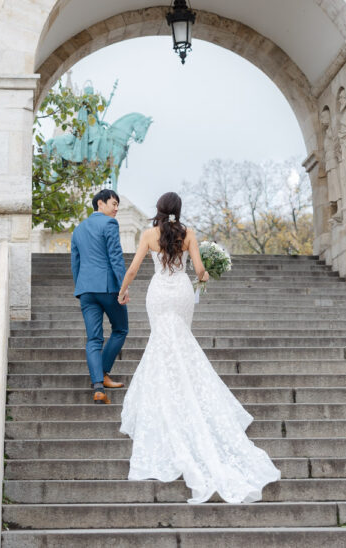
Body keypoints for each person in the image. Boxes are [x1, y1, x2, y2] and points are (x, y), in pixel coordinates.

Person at [118, 191, 281, 504]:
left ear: (158, 209)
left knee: (163, 342)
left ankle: (169, 392)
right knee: (181, 341)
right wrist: (208, 272)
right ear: (178, 211)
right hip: (179, 292)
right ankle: (187, 388)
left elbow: (135, 268)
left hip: (158, 294)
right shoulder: (188, 233)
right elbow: (199, 270)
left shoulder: (149, 234)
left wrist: (123, 292)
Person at [71, 188, 130, 405]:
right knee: (121, 329)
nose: (116, 209)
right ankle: (103, 373)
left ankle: (98, 385)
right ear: (100, 204)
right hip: (108, 288)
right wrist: (123, 288)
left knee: (93, 338)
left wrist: (81, 287)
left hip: (86, 290)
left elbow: (75, 263)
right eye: (113, 203)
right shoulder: (109, 224)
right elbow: (116, 257)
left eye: (117, 205)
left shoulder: (78, 230)